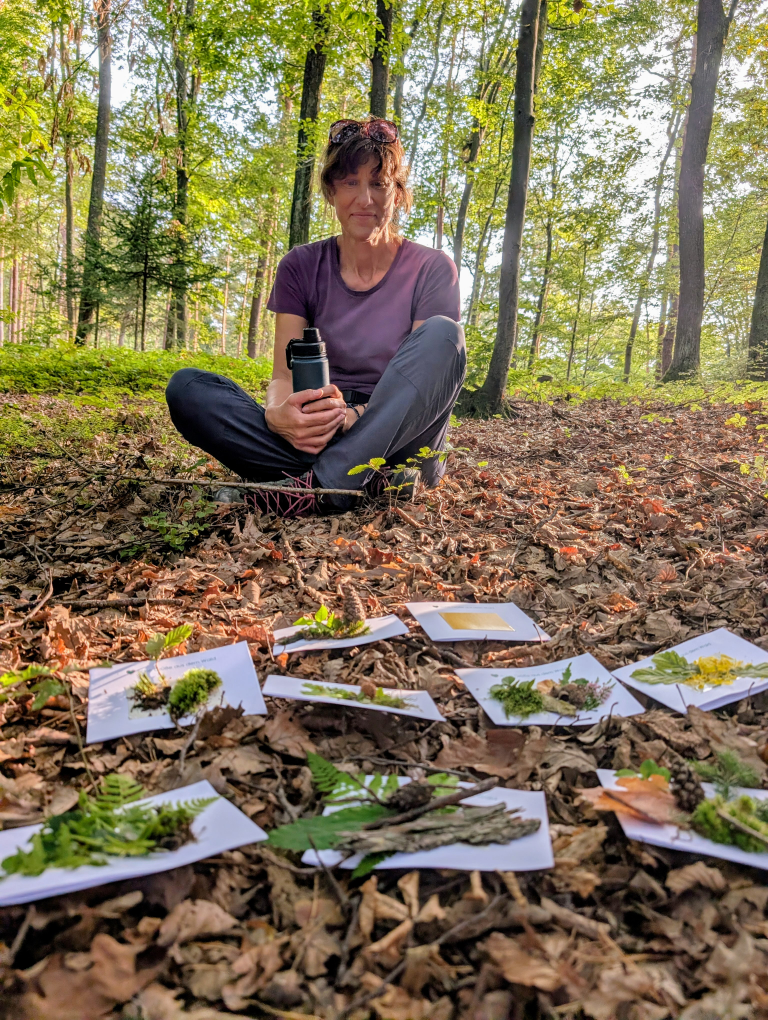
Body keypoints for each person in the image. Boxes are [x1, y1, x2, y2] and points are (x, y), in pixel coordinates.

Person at [166, 117, 466, 517]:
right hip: (320, 430)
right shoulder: (300, 266)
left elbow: (424, 382)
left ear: (397, 193)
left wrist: (355, 417)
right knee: (188, 388)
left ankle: (324, 488)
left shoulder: (432, 268)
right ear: (330, 190)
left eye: (379, 184)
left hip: (399, 440)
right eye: (350, 183)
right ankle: (359, 482)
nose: (365, 199)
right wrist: (279, 416)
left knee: (444, 335)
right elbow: (283, 377)